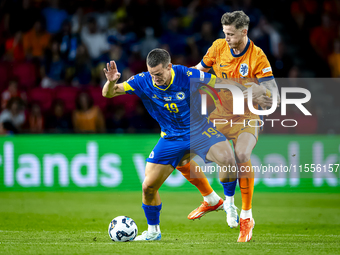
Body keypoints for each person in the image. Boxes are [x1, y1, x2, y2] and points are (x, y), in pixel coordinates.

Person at [102, 49, 249, 241]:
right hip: (170, 137)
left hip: (199, 131)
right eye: (152, 74)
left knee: (228, 157)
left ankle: (229, 204)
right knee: (148, 187)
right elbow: (108, 94)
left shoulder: (187, 75)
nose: (155, 78)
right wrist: (111, 81)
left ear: (169, 67)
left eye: (159, 74)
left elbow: (220, 83)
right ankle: (153, 232)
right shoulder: (142, 80)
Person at [181, 11, 280, 242]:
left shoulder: (257, 56)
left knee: (242, 153)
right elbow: (198, 70)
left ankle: (246, 216)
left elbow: (274, 93)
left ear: (244, 32)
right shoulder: (217, 47)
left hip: (248, 114)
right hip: (220, 114)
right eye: (224, 33)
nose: (226, 38)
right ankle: (217, 201)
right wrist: (180, 78)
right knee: (179, 155)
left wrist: (262, 91)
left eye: (230, 34)